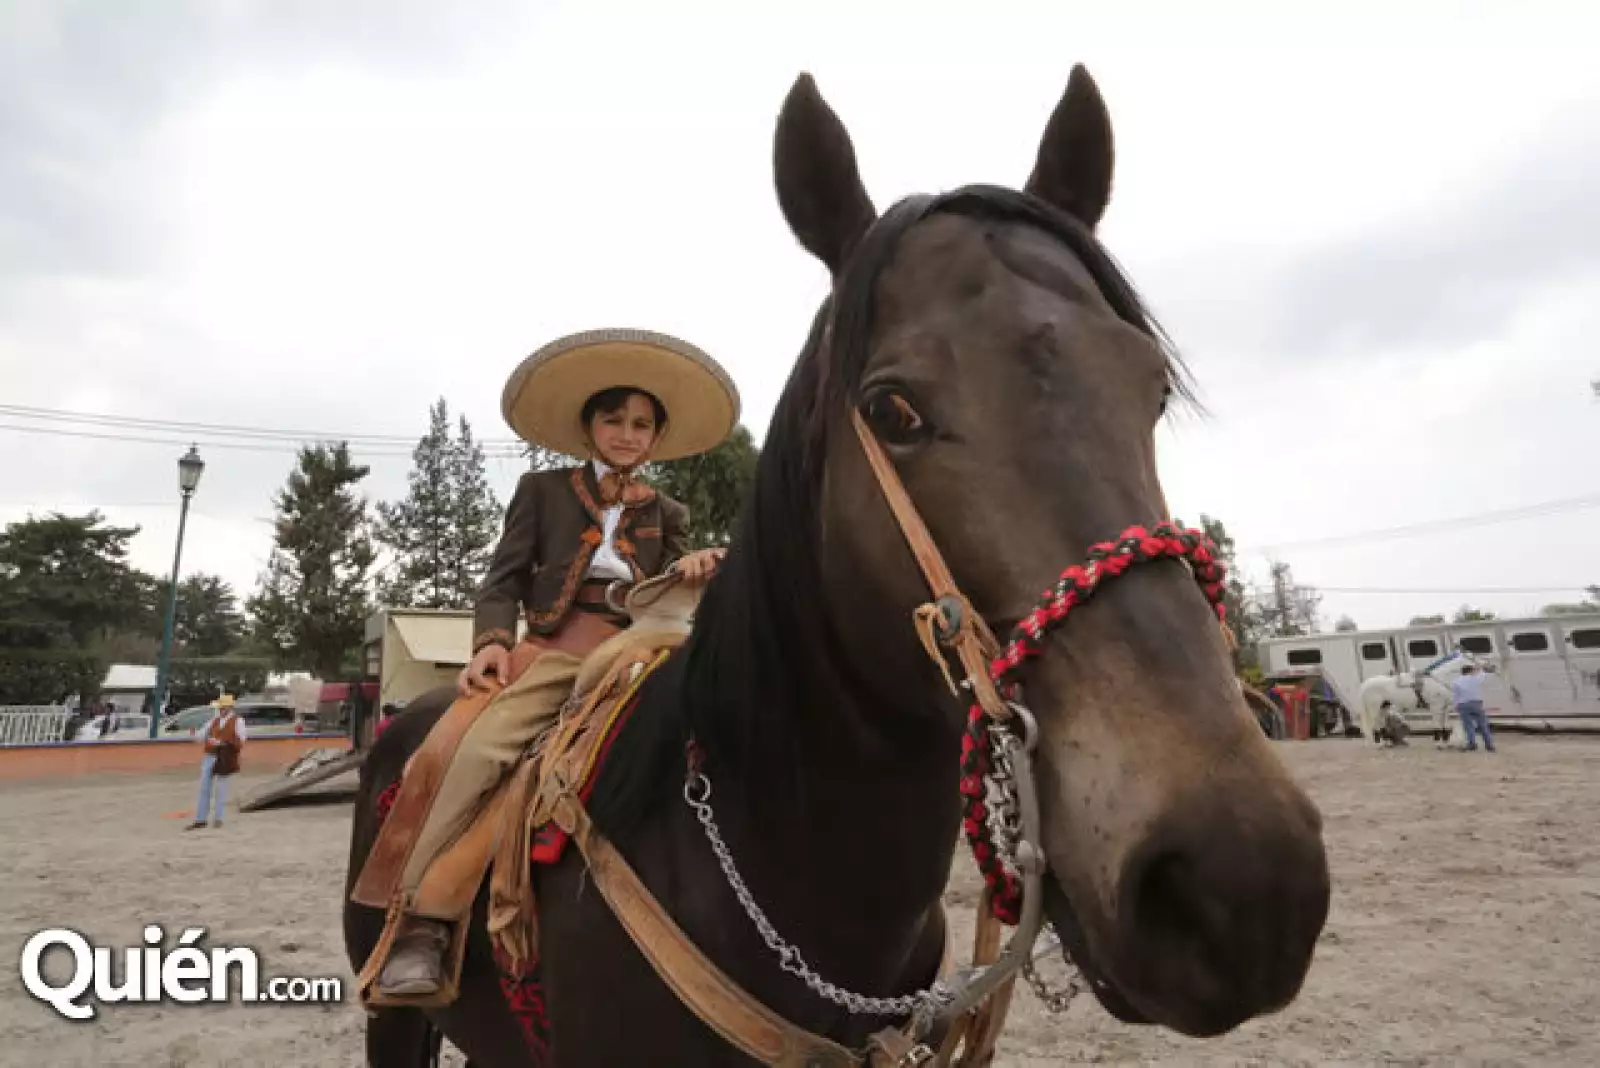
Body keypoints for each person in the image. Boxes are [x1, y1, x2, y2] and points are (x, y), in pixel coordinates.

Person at [373, 328, 740, 998]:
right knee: (474, 753)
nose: (628, 434)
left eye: (642, 424)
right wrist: (489, 641)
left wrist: (693, 569)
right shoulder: (541, 491)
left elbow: (670, 594)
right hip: (551, 653)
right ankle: (422, 923)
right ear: (588, 427)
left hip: (638, 656)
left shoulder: (669, 510)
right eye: (615, 420)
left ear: (655, 438)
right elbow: (502, 578)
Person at [185, 694, 247, 830]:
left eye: (222, 707)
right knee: (204, 788)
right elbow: (200, 738)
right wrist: (193, 734)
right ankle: (201, 819)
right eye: (220, 707)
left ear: (229, 708)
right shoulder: (213, 721)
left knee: (221, 788)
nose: (220, 710)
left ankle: (218, 818)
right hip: (210, 755)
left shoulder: (238, 721)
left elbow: (241, 741)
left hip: (224, 756)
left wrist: (222, 743)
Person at [1450, 663, 1496, 753]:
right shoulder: (1476, 678)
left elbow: (1455, 696)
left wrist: (1456, 706)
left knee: (1468, 726)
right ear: (1470, 671)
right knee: (1483, 725)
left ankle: (1472, 744)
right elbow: (1486, 673)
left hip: (1463, 705)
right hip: (1476, 704)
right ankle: (1489, 745)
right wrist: (1483, 667)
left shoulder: (1456, 681)